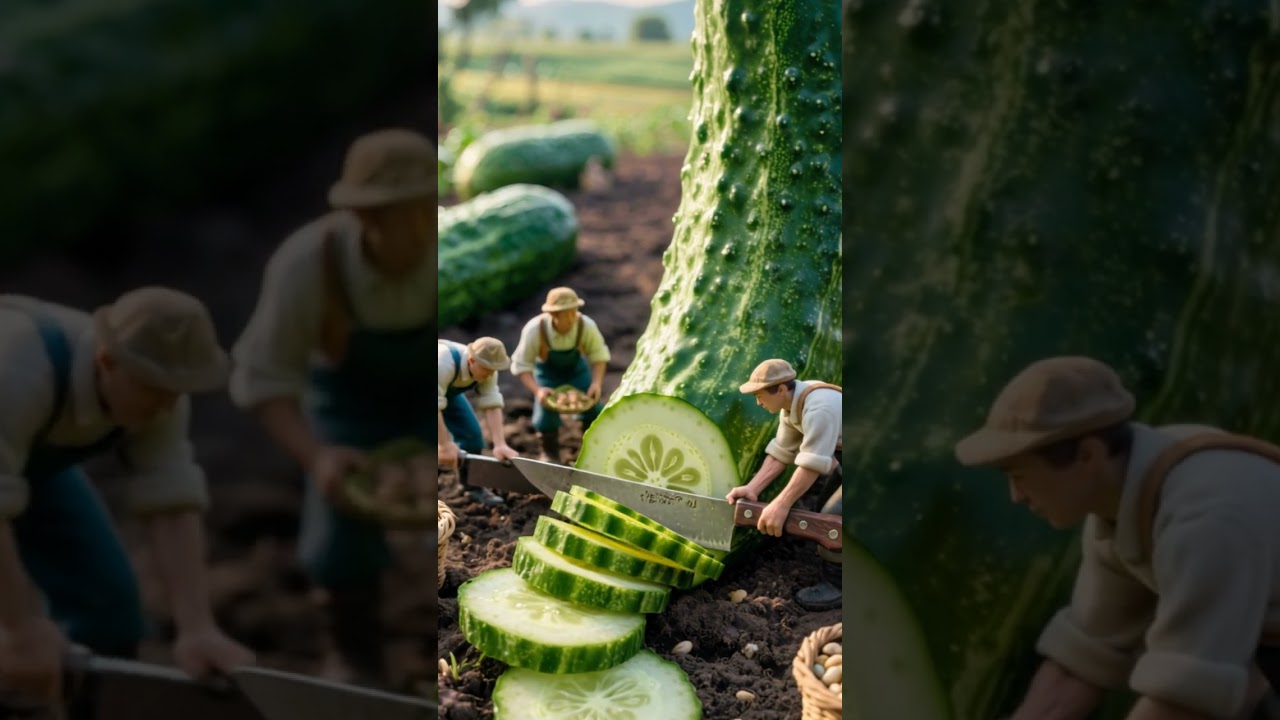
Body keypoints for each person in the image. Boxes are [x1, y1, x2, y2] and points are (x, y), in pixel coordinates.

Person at [954, 355, 1280, 720]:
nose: (1016, 496)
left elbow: (1186, 699)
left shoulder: (1205, 520)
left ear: (1087, 454)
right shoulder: (1125, 501)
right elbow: (1086, 658)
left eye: (1019, 476)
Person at [229, 128, 436, 684]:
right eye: (407, 215)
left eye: (430, 209)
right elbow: (263, 379)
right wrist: (316, 456)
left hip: (434, 395)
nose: (425, 228)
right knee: (338, 535)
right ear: (365, 216)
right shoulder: (308, 265)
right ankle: (354, 653)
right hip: (349, 410)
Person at [0, 287, 256, 710]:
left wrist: (197, 627)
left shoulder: (160, 393)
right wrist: (20, 627)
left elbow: (171, 498)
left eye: (177, 390)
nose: (168, 405)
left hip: (23, 464)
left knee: (108, 611)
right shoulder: (20, 370)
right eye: (156, 389)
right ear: (106, 361)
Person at [726, 359, 843, 611]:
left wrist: (780, 504)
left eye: (760, 396)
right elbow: (782, 452)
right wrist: (753, 488)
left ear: (780, 389)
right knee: (822, 508)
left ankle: (838, 585)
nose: (758, 402)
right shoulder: (794, 405)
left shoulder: (818, 408)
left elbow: (811, 465)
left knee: (834, 519)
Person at [509, 287, 611, 464]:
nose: (572, 318)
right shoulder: (535, 330)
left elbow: (598, 356)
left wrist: (596, 383)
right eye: (566, 313)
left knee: (593, 409)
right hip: (548, 375)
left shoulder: (586, 325)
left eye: (574, 311)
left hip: (577, 372)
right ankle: (550, 453)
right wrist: (538, 390)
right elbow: (522, 365)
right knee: (545, 415)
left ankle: (592, 449)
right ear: (553, 314)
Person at [436, 336, 519, 503]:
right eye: (487, 369)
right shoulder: (443, 363)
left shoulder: (488, 369)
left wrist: (500, 444)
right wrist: (444, 445)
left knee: (472, 436)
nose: (491, 374)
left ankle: (471, 488)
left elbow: (492, 403)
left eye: (494, 370)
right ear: (471, 360)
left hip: (445, 392)